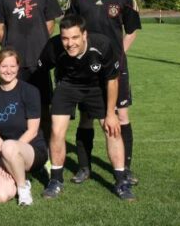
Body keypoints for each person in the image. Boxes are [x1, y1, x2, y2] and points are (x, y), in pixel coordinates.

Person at [65, 0, 141, 185]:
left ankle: (124, 168)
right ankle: (84, 168)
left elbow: (131, 30)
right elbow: (69, 29)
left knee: (121, 115)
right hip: (85, 67)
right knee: (87, 116)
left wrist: (118, 55)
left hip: (115, 67)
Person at [40, 15, 135, 201]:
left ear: (84, 35)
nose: (69, 43)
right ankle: (56, 180)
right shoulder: (53, 46)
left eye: (75, 37)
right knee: (57, 131)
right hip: (66, 86)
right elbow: (40, 71)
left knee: (112, 130)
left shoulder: (102, 45)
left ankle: (121, 182)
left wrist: (111, 114)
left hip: (96, 88)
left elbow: (112, 80)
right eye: (65, 38)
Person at [0, 0, 63, 144]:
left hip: (39, 62)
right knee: (13, 108)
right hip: (13, 64)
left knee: (42, 107)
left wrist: (37, 43)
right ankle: (12, 148)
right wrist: (12, 47)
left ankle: (46, 152)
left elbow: (50, 23)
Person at [0, 48, 48, 206]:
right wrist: (2, 157)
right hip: (5, 152)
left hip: (32, 150)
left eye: (12, 66)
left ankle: (23, 189)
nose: (8, 70)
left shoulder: (30, 91)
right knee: (0, 196)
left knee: (9, 145)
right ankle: (21, 178)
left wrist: (9, 151)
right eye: (3, 66)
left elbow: (33, 130)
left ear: (18, 67)